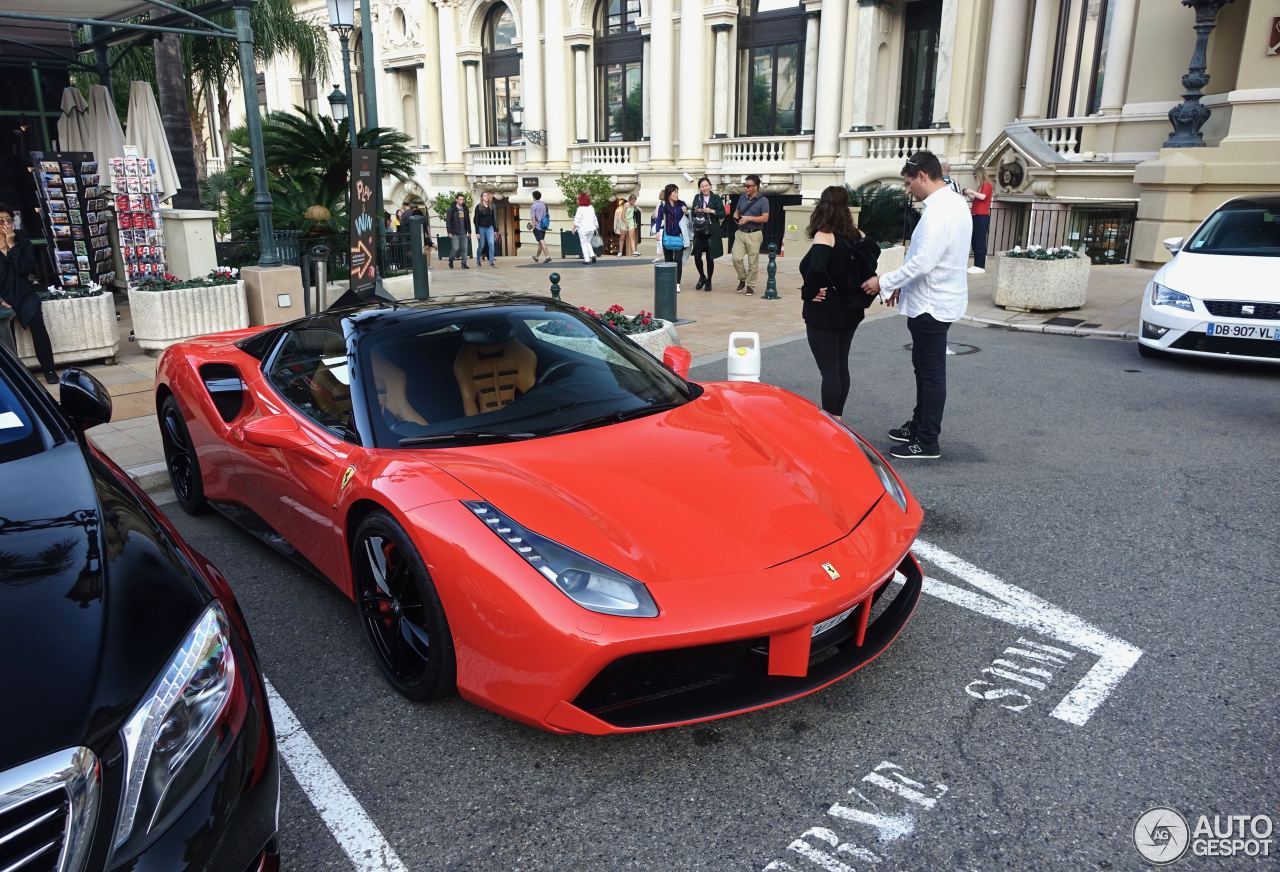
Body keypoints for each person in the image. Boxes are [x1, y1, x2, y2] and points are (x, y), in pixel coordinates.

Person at [861, 151, 971, 461]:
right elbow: (924, 259)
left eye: (909, 183)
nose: (908, 189)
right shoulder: (952, 204)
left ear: (922, 175)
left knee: (931, 372)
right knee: (924, 368)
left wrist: (885, 281)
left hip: (932, 304)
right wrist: (899, 285)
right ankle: (920, 425)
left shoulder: (940, 211)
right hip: (934, 299)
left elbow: (923, 262)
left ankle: (927, 440)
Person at [800, 186, 881, 417]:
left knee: (830, 370)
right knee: (840, 365)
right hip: (850, 310)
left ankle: (831, 420)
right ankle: (838, 417)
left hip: (825, 311)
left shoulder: (824, 235)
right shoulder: (858, 235)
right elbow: (871, 260)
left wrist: (808, 293)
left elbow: (816, 269)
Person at [0, 202, 57, 383]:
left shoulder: (23, 243)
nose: (6, 225)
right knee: (5, 331)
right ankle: (14, 376)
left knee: (38, 326)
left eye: (9, 220)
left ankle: (49, 370)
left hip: (23, 293)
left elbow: (23, 269)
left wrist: (11, 246)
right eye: (1, 221)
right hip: (2, 296)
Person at [731, 174, 769, 295]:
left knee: (753, 263)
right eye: (744, 185)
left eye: (748, 186)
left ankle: (750, 285)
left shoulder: (763, 201)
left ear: (756, 187)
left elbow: (765, 218)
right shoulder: (742, 197)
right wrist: (736, 215)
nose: (746, 188)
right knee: (736, 258)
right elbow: (737, 210)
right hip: (740, 232)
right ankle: (742, 278)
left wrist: (749, 218)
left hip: (755, 234)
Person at [689, 177, 724, 291]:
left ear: (710, 186)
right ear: (699, 188)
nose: (704, 188)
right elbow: (693, 211)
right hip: (700, 231)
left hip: (712, 231)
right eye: (702, 186)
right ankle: (702, 276)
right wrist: (697, 210)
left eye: (706, 185)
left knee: (710, 258)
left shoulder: (716, 198)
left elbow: (722, 213)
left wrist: (711, 211)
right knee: (697, 256)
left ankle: (709, 281)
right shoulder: (697, 197)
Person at [654, 184, 689, 292]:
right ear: (669, 194)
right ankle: (670, 282)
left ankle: (677, 283)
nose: (677, 194)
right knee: (668, 261)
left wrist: (686, 211)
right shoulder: (663, 205)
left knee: (678, 260)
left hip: (679, 237)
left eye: (677, 192)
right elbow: (659, 219)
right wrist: (657, 232)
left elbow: (687, 218)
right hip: (667, 236)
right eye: (674, 192)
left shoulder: (681, 204)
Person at [963, 168, 993, 273]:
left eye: (975, 176)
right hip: (976, 216)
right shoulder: (981, 187)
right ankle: (977, 265)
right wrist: (970, 195)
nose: (975, 178)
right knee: (975, 241)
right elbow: (978, 200)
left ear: (979, 175)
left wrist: (972, 191)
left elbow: (983, 197)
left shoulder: (987, 185)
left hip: (981, 216)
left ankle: (980, 266)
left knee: (979, 241)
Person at [446, 193, 471, 269]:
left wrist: (469, 231)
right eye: (460, 199)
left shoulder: (465, 209)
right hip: (455, 233)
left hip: (464, 233)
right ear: (456, 200)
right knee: (455, 248)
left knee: (464, 249)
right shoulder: (451, 209)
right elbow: (448, 221)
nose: (462, 201)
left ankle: (464, 264)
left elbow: (468, 220)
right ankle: (451, 260)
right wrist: (449, 232)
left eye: (462, 199)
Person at [572, 192, 598, 264]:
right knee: (588, 242)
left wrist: (573, 228)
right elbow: (594, 218)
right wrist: (596, 226)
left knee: (583, 244)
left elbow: (577, 219)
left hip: (583, 229)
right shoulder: (591, 207)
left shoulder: (580, 209)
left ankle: (587, 259)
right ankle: (592, 255)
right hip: (591, 229)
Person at [473, 190, 498, 268]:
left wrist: (495, 230)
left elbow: (493, 219)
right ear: (482, 198)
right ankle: (478, 261)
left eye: (487, 195)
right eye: (484, 195)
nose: (486, 197)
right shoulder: (478, 207)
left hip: (490, 227)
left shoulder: (491, 206)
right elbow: (476, 220)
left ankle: (491, 263)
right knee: (481, 245)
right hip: (481, 228)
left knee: (491, 244)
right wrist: (477, 232)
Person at [528, 190, 551, 263]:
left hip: (537, 226)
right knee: (540, 243)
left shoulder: (533, 206)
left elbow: (533, 218)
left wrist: (533, 226)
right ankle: (537, 257)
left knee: (542, 241)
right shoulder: (544, 204)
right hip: (543, 226)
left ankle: (548, 257)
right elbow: (547, 215)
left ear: (534, 197)